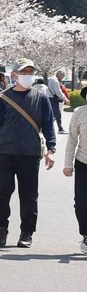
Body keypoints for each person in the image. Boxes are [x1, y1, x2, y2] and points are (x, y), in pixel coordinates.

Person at [0, 58, 57, 248]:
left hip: (30, 154)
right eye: (24, 72)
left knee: (29, 195)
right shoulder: (3, 98)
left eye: (31, 72)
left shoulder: (40, 98)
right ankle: (1, 228)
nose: (28, 76)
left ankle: (27, 233)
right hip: (6, 152)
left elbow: (48, 125)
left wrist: (51, 149)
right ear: (14, 75)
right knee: (2, 192)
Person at [63, 87, 87, 254]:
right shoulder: (79, 113)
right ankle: (86, 234)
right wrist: (67, 163)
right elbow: (72, 138)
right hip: (82, 162)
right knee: (81, 203)